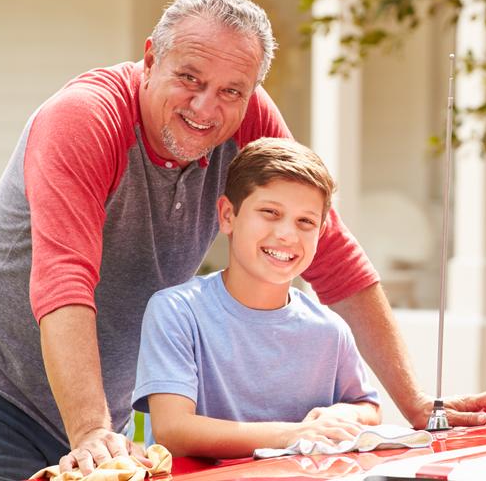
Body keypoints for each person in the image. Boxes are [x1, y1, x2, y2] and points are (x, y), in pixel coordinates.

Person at [0, 0, 486, 479]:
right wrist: (91, 430)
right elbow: (65, 280)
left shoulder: (248, 118)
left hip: (103, 400)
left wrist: (419, 406)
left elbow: (333, 255)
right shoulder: (84, 119)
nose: (207, 107)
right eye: (189, 78)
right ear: (150, 57)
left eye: (232, 90)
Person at [132, 138, 382, 458]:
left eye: (305, 221)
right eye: (270, 212)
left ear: (320, 233)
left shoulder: (330, 331)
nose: (287, 235)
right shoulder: (177, 312)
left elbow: (368, 406)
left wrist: (345, 416)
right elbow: (173, 430)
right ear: (227, 216)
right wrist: (294, 434)